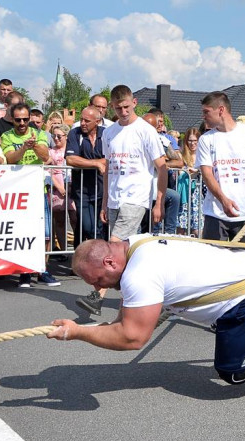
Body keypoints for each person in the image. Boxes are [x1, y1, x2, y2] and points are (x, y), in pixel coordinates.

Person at [49, 237, 245, 383]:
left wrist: (78, 333)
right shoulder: (137, 242)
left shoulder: (138, 274)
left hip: (241, 297)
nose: (101, 287)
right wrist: (85, 330)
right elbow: (124, 320)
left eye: (99, 280)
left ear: (109, 263)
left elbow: (132, 338)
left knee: (236, 371)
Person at [84, 85, 167, 315]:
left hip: (136, 197)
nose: (123, 111)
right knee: (128, 255)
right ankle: (151, 299)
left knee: (113, 246)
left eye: (126, 107)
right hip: (114, 198)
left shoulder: (145, 130)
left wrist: (158, 201)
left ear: (134, 103)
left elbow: (162, 167)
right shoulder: (109, 133)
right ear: (112, 107)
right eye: (118, 108)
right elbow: (108, 168)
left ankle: (96, 296)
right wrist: (104, 201)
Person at [197, 91, 245, 243]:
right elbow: (207, 174)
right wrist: (223, 199)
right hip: (216, 214)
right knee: (214, 261)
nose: (203, 116)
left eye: (206, 112)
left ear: (221, 110)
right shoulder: (206, 139)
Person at [0, 102, 60, 288]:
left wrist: (34, 145)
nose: (22, 123)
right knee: (22, 233)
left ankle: (43, 269)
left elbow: (45, 156)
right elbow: (10, 158)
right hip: (17, 192)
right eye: (18, 120)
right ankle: (25, 271)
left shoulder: (40, 134)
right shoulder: (6, 136)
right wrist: (23, 148)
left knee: (46, 234)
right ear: (13, 119)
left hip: (37, 190)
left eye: (26, 119)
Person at [66, 106, 109, 308]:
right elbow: (70, 158)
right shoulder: (74, 134)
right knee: (86, 226)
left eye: (87, 121)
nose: (82, 123)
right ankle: (85, 261)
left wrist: (103, 162)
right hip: (82, 190)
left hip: (102, 191)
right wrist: (96, 164)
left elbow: (110, 159)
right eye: (81, 120)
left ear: (97, 122)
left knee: (99, 229)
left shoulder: (106, 134)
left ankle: (97, 267)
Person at [145, 108, 183, 236]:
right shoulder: (135, 138)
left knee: (174, 197)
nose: (159, 125)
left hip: (156, 185)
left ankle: (169, 234)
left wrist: (161, 164)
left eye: (160, 122)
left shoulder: (164, 141)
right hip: (140, 187)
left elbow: (179, 162)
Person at [48, 124, 73, 252]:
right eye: (54, 136)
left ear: (66, 136)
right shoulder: (50, 152)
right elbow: (48, 172)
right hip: (56, 189)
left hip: (72, 187)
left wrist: (69, 187)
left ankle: (78, 249)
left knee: (75, 219)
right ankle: (63, 250)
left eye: (59, 136)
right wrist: (59, 188)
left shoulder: (71, 149)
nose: (56, 138)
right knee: (59, 220)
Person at [177, 127, 203, 237]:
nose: (192, 143)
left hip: (198, 195)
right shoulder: (181, 155)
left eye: (195, 141)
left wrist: (198, 171)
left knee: (197, 229)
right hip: (184, 195)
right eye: (190, 140)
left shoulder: (203, 155)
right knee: (181, 227)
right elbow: (178, 172)